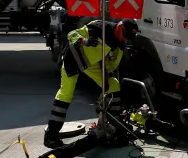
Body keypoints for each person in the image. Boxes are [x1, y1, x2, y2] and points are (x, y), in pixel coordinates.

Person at [45, 18, 140, 148]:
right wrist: (84, 41)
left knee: (113, 84)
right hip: (74, 60)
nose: (125, 39)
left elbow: (112, 65)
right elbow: (71, 34)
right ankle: (51, 135)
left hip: (92, 64)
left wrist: (107, 75)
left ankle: (113, 125)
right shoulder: (99, 27)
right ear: (119, 27)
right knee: (66, 94)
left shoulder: (120, 44)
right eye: (125, 36)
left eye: (129, 38)